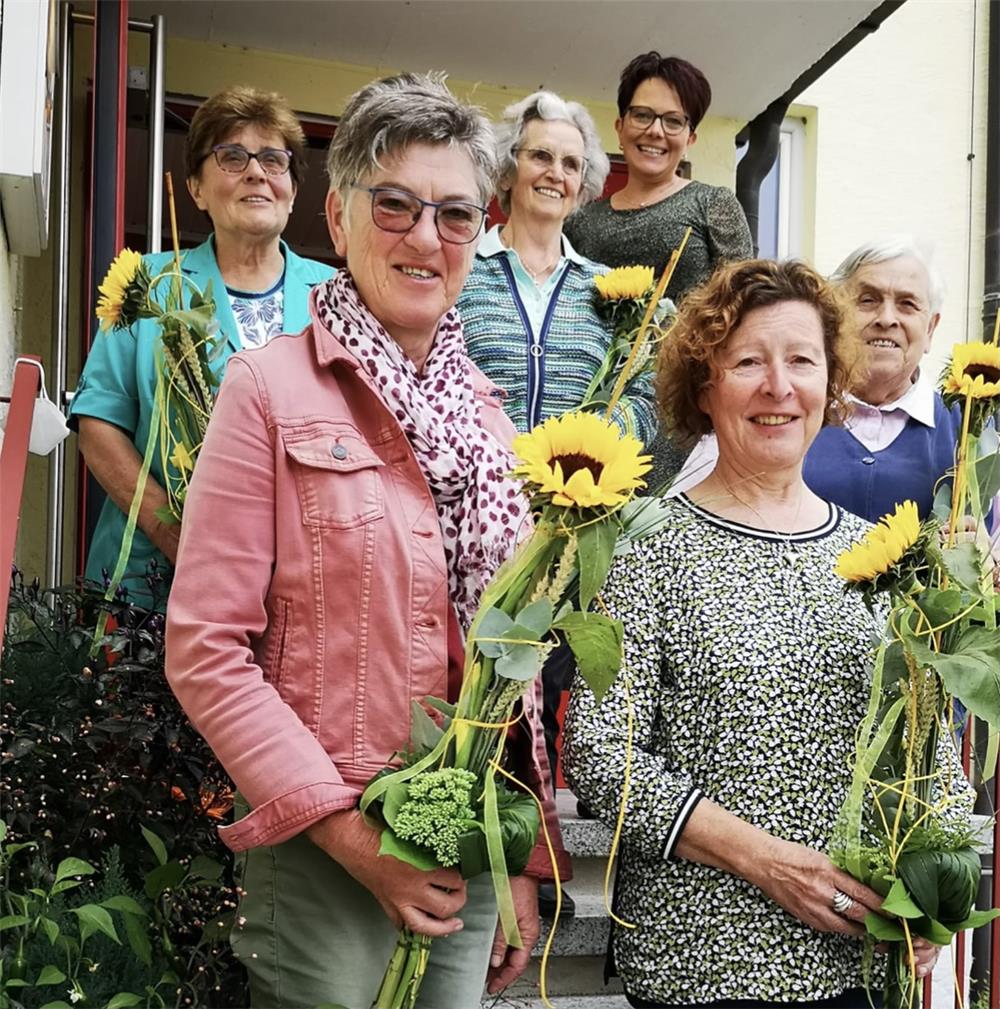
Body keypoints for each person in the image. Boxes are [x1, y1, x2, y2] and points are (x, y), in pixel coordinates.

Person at [165, 73, 569, 1009]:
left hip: (465, 846)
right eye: (395, 205)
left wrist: (514, 857)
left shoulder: (487, 421)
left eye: (457, 215)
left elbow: (499, 659)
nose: (426, 237)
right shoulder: (265, 391)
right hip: (327, 848)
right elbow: (206, 648)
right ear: (339, 223)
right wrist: (351, 834)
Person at [563, 259, 952, 1008]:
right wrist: (771, 863)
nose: (779, 386)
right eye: (749, 362)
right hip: (702, 967)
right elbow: (602, 754)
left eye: (802, 360)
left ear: (831, 383)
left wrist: (933, 884)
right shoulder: (647, 549)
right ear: (704, 386)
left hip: (862, 963)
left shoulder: (885, 562)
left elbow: (926, 748)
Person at [68, 85, 333, 608]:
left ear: (293, 189)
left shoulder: (335, 299)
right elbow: (98, 426)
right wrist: (175, 537)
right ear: (196, 187)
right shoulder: (150, 284)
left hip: (297, 593)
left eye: (274, 160)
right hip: (155, 585)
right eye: (232, 157)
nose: (256, 173)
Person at [564, 52, 752, 486]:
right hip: (590, 406)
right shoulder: (581, 222)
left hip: (681, 413)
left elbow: (744, 311)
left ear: (691, 137)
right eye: (643, 115)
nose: (655, 132)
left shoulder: (712, 205)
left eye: (673, 121)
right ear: (619, 125)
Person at [458, 90, 656, 442]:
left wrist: (587, 447)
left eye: (571, 164)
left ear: (581, 186)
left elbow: (643, 394)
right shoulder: (459, 273)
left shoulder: (609, 290)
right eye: (540, 156)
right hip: (473, 488)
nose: (555, 173)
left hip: (578, 489)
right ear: (506, 172)